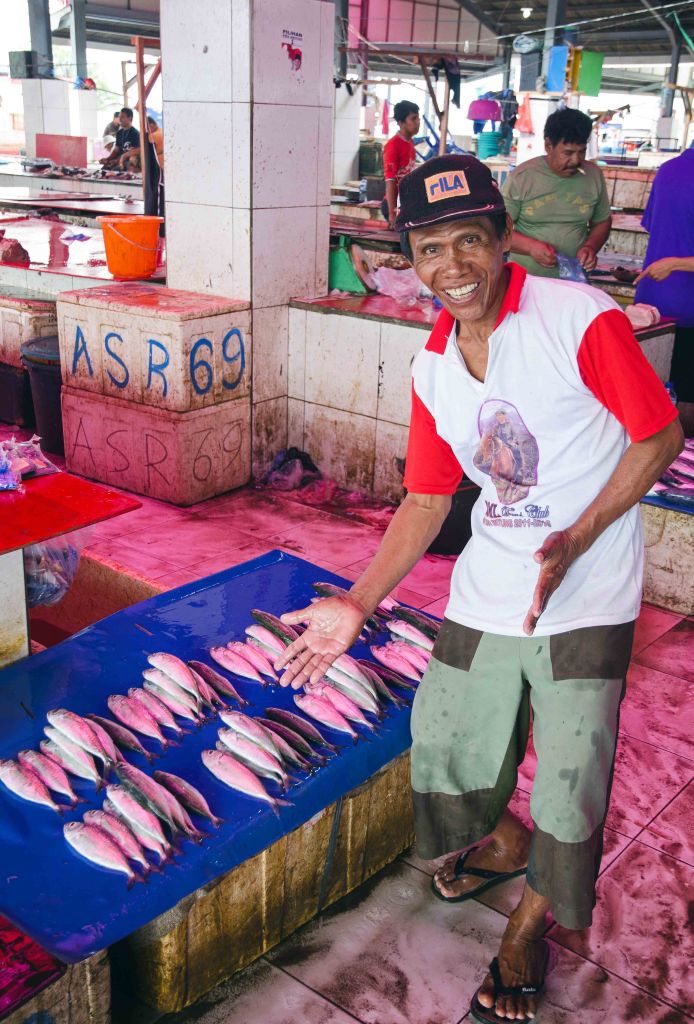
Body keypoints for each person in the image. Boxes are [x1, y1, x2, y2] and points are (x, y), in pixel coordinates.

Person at [276, 154, 682, 1023]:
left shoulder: (578, 317)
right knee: (447, 745)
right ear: (408, 261)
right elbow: (428, 500)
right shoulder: (432, 365)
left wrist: (580, 535)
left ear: (503, 240)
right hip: (488, 585)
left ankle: (528, 929)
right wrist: (357, 601)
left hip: (587, 595)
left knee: (571, 776)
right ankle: (504, 841)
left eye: (470, 240)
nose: (453, 266)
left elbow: (658, 435)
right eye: (430, 249)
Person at [502, 108, 612, 277]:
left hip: (574, 279)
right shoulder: (522, 177)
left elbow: (602, 221)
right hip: (526, 279)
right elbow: (497, 229)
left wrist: (591, 247)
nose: (575, 160)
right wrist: (530, 247)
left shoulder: (593, 175)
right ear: (548, 146)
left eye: (581, 152)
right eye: (568, 153)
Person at [634, 145, 694, 436]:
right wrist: (677, 264)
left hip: (651, 302)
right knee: (687, 398)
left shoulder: (667, 170)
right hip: (688, 308)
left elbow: (658, 228)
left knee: (651, 396)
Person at [381, 100, 420, 230]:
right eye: (413, 119)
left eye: (418, 118)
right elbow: (390, 181)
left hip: (405, 204)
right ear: (401, 122)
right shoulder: (393, 145)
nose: (418, 122)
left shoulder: (410, 142)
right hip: (394, 205)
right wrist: (392, 213)